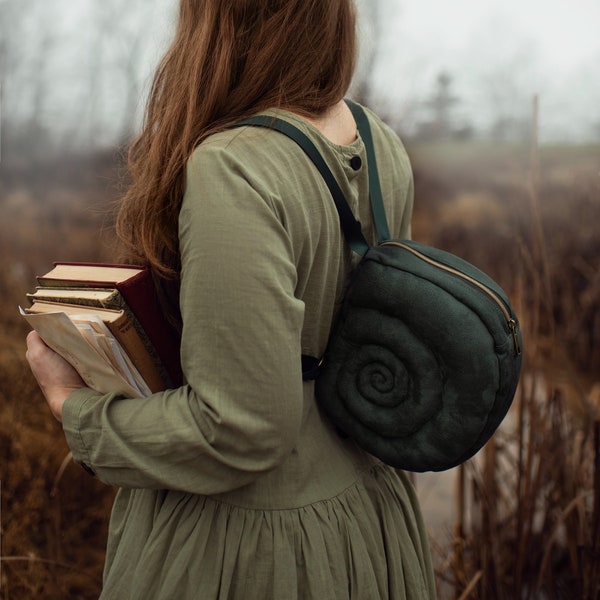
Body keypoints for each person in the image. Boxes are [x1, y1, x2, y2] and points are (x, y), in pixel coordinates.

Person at [25, 1, 437, 598]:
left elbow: (240, 428)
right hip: (368, 521)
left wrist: (72, 407)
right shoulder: (375, 140)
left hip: (256, 550)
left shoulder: (235, 166)